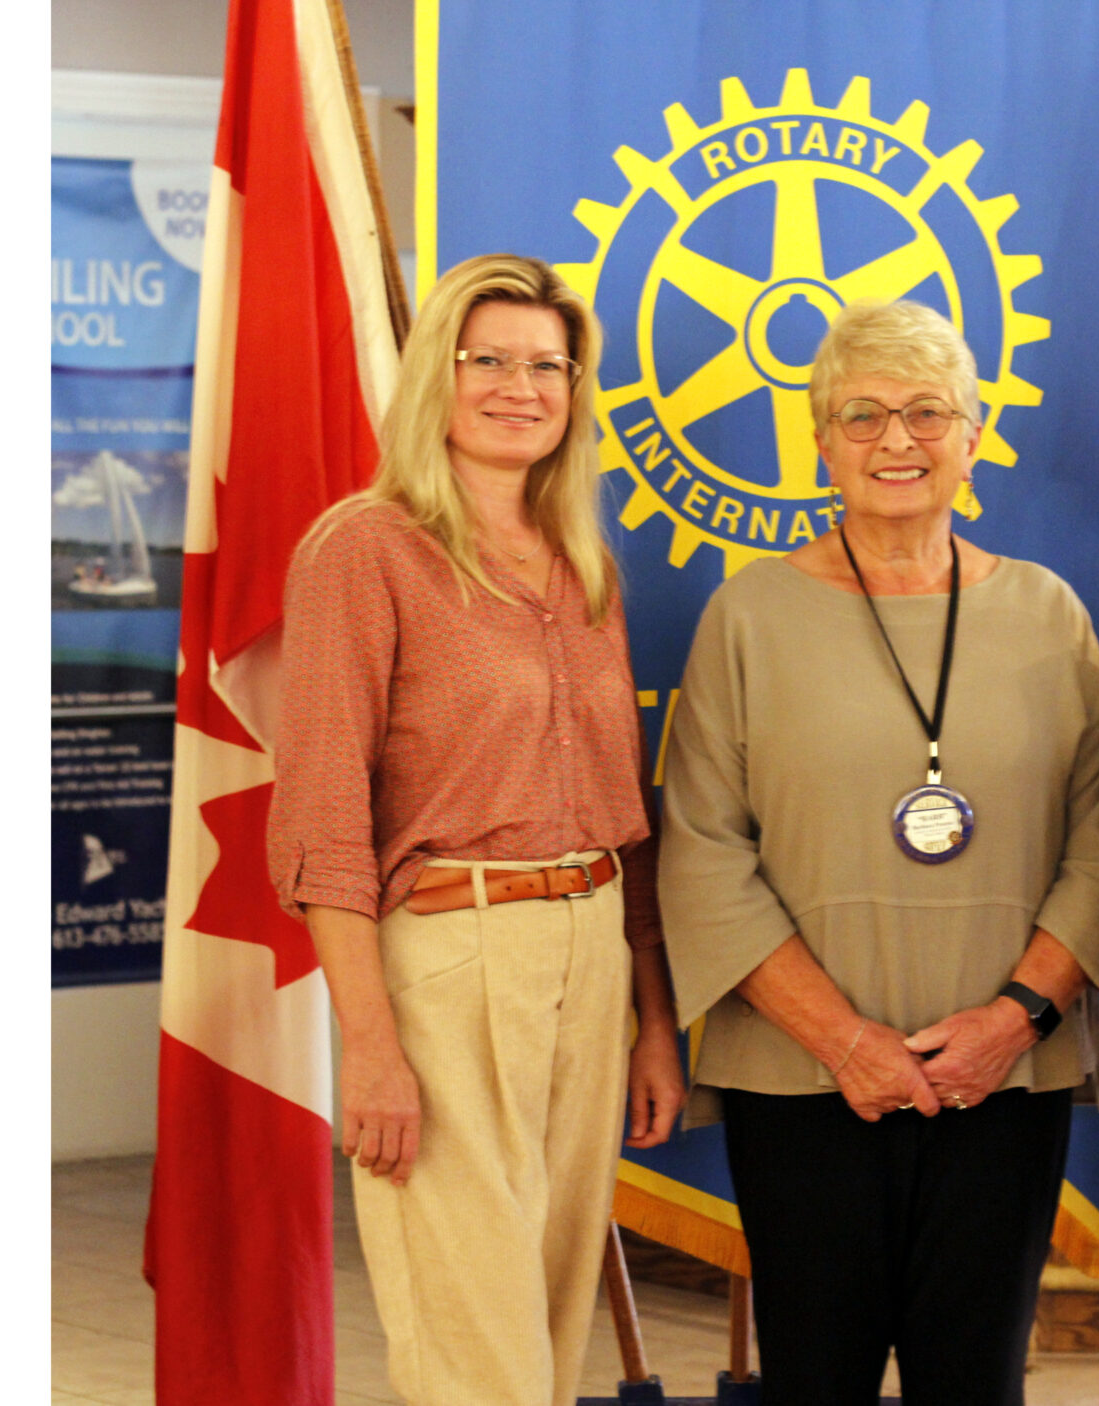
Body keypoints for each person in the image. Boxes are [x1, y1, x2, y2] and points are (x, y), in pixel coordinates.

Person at [659, 299, 1099, 1406]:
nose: (897, 441)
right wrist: (845, 1041)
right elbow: (701, 850)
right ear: (819, 443)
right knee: (814, 1376)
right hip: (802, 1073)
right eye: (862, 415)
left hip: (1000, 1072)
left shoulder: (1046, 611)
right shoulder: (748, 614)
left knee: (973, 1378)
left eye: (928, 413)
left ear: (973, 436)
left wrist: (1011, 1019)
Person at [265, 253, 685, 1406]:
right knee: (473, 1348)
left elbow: (626, 812)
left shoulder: (582, 567)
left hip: (589, 951)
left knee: (548, 1335)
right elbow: (320, 820)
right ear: (433, 378)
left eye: (547, 365)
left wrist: (652, 1014)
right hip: (449, 960)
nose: (520, 386)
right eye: (487, 360)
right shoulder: (364, 550)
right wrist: (370, 1041)